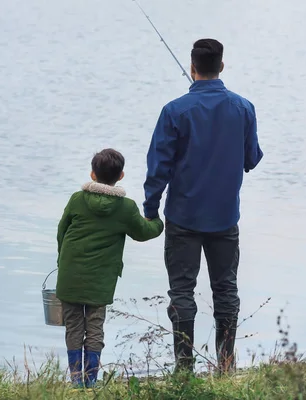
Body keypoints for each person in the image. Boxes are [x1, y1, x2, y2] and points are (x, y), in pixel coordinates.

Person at [143, 38, 264, 374]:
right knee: (225, 289)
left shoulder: (174, 110)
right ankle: (226, 365)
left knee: (182, 291)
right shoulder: (244, 108)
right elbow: (252, 159)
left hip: (183, 217)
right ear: (221, 66)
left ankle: (184, 368)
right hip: (225, 216)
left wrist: (150, 209)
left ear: (192, 67)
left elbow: (158, 168)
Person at [56, 148, 164, 388]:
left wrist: (61, 260)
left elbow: (62, 232)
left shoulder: (77, 199)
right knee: (94, 327)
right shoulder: (125, 207)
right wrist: (157, 222)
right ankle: (90, 381)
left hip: (70, 274)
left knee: (73, 325)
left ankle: (76, 382)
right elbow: (143, 232)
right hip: (101, 279)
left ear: (92, 174)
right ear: (121, 176)